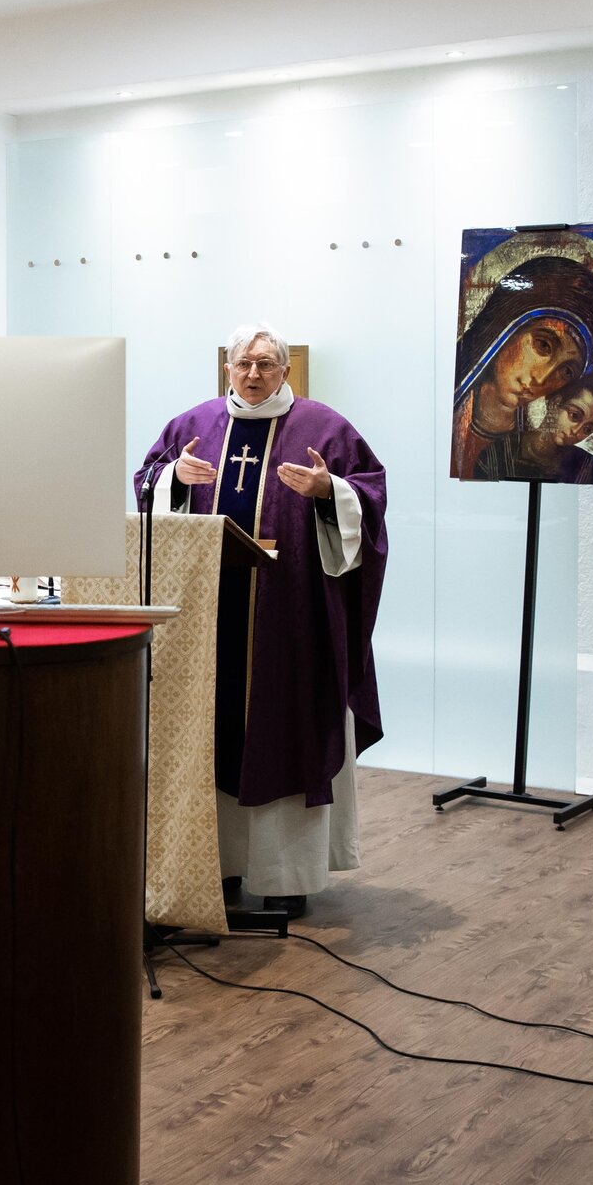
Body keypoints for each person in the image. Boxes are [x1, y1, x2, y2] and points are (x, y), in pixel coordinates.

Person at [137, 323, 388, 917]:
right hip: (208, 617)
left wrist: (331, 491)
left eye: (267, 364)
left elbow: (370, 498)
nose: (254, 375)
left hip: (292, 618)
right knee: (209, 729)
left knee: (287, 726)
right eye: (243, 364)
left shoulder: (324, 428)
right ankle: (213, 868)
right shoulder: (191, 427)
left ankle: (284, 876)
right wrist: (176, 478)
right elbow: (147, 487)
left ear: (286, 370)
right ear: (227, 368)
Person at [450, 253, 593, 478]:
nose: (542, 380)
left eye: (566, 371)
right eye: (543, 345)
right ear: (506, 327)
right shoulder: (448, 414)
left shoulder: (530, 450)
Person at [473, 369, 593, 485]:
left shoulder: (592, 470)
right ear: (554, 402)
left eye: (588, 429)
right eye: (574, 416)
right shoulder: (498, 454)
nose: (576, 431)